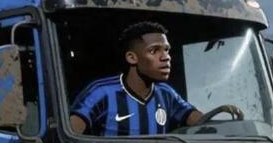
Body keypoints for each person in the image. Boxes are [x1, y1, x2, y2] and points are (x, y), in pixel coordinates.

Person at [70, 21, 204, 136]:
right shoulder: (101, 92)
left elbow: (201, 123)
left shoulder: (166, 93)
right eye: (154, 50)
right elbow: (70, 138)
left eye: (166, 50)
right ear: (132, 58)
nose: (166, 57)